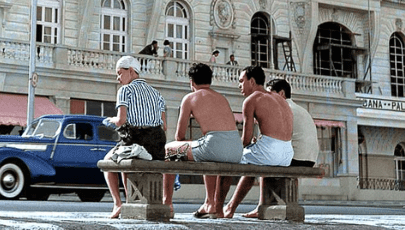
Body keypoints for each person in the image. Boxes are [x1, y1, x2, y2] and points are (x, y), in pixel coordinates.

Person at [162, 63, 242, 218]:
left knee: (168, 150)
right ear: (210, 80)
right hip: (236, 149)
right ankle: (210, 203)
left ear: (192, 81)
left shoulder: (190, 98)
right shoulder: (222, 97)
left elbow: (179, 136)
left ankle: (167, 204)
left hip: (214, 146)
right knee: (205, 149)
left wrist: (186, 144)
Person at [215, 66, 294, 219]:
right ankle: (230, 207)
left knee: (226, 161)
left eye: (241, 81)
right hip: (287, 154)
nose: (239, 85)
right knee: (251, 161)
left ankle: (217, 209)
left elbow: (245, 139)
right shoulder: (280, 99)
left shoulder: (251, 100)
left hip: (270, 152)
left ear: (251, 81)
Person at [241, 78, 319, 219]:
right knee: (268, 158)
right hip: (310, 160)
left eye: (271, 93)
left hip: (294, 158)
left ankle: (256, 207)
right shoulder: (300, 109)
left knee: (259, 162)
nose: (268, 96)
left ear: (281, 93)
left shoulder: (280, 109)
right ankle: (273, 204)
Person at [104, 55, 166, 219]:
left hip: (136, 141)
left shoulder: (125, 90)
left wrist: (111, 121)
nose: (118, 78)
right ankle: (131, 202)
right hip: (156, 145)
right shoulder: (157, 93)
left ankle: (118, 203)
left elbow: (121, 120)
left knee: (108, 164)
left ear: (130, 71)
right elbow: (164, 125)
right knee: (125, 161)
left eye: (119, 73)